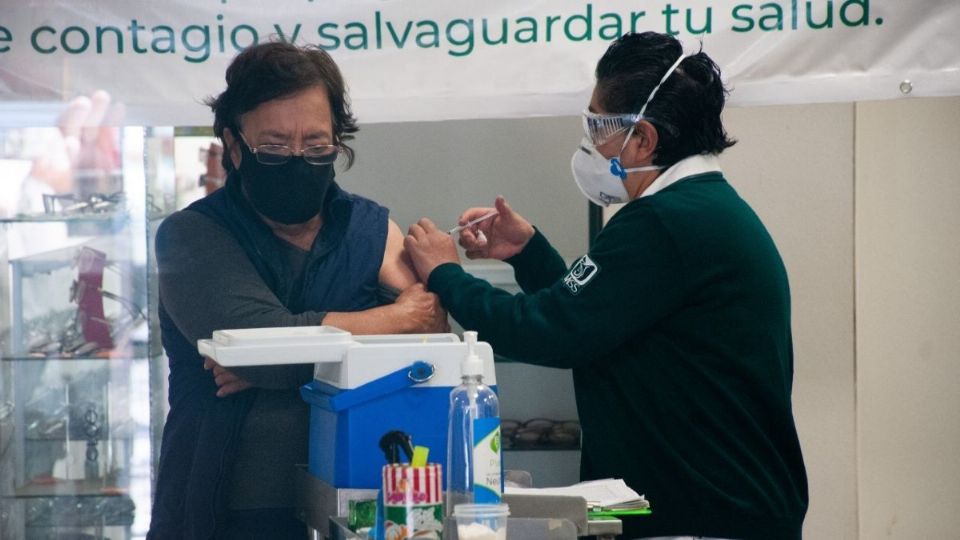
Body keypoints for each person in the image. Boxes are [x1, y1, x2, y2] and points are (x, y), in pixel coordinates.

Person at [404, 32, 808, 540]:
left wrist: (445, 274)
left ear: (643, 139)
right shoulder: (702, 211)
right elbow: (594, 319)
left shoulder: (664, 223)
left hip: (703, 518)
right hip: (727, 512)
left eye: (598, 126)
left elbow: (548, 330)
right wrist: (527, 252)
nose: (591, 144)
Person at [148, 41, 448, 539]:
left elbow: (433, 335)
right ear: (234, 144)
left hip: (360, 504)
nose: (297, 158)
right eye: (274, 145)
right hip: (225, 507)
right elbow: (254, 342)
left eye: (315, 145)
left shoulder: (367, 227)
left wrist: (282, 357)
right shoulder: (192, 236)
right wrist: (390, 322)